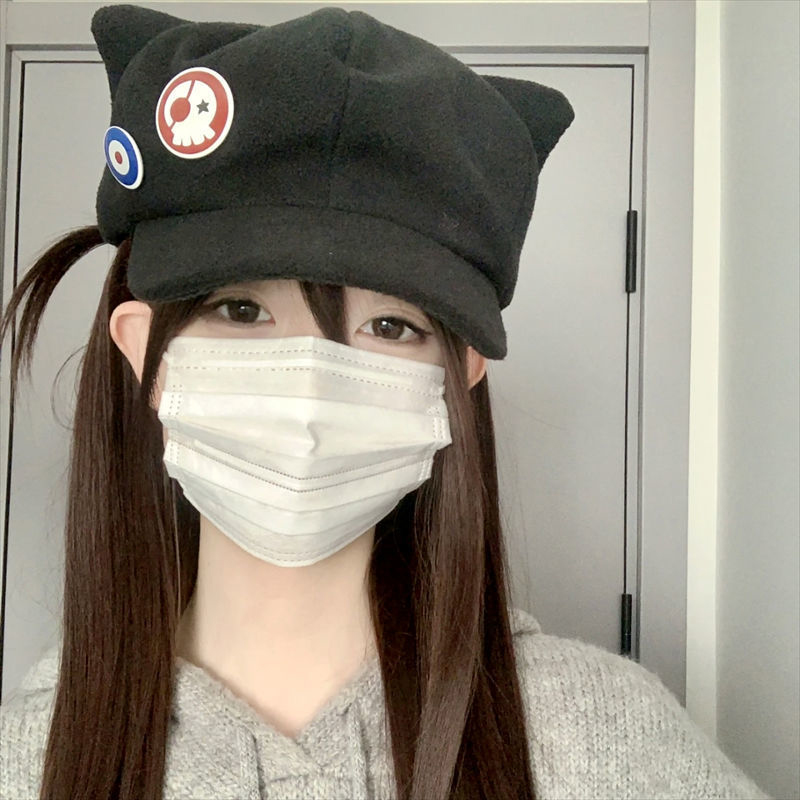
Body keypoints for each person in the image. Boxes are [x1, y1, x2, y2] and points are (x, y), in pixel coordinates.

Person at [0, 5, 771, 800]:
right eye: (241, 309)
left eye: (391, 326)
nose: (311, 385)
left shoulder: (610, 738)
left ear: (459, 375)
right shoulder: (25, 758)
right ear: (142, 351)